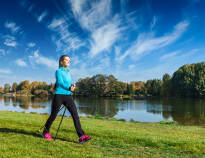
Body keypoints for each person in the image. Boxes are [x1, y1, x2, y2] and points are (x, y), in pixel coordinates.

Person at [42, 55, 91, 144]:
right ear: (61, 62)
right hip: (59, 96)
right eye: (66, 60)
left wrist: (72, 86)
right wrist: (69, 87)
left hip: (68, 96)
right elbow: (60, 83)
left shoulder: (68, 72)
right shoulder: (58, 71)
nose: (69, 62)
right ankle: (45, 132)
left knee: (75, 115)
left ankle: (81, 136)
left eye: (69, 60)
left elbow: (67, 83)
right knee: (53, 115)